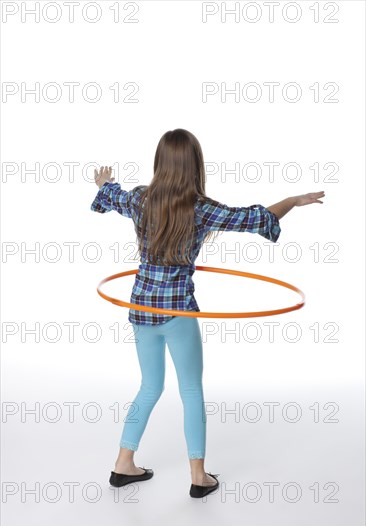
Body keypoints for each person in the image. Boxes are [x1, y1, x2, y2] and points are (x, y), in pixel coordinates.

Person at [90, 128, 325, 498]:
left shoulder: (140, 199)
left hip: (141, 310)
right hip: (178, 312)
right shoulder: (201, 208)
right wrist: (292, 201)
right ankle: (199, 477)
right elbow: (255, 218)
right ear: (195, 165)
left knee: (149, 386)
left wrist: (105, 182)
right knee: (190, 389)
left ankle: (123, 464)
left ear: (159, 163)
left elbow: (111, 195)